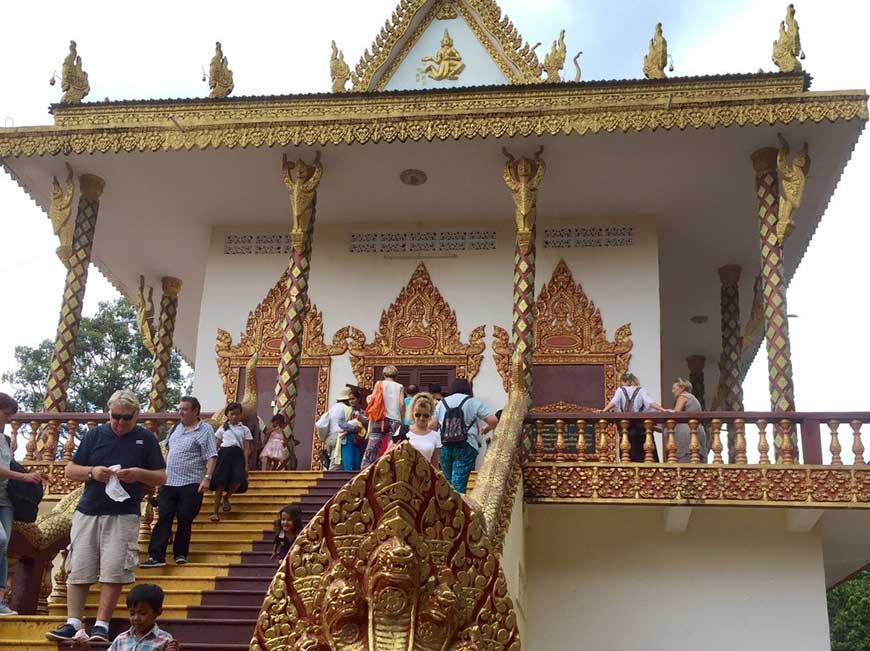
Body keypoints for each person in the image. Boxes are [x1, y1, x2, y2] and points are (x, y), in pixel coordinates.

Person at [46, 390, 166, 643]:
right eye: (115, 417)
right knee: (78, 567)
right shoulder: (94, 435)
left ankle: (101, 624)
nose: (120, 423)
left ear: (137, 416)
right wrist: (92, 472)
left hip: (124, 513)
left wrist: (138, 474)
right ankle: (73, 622)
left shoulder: (146, 438)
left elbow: (161, 477)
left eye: (126, 418)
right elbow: (70, 469)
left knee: (114, 570)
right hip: (88, 509)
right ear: (108, 413)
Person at [141, 396, 217, 569]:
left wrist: (207, 478)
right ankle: (156, 555)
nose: (180, 412)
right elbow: (167, 451)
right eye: (179, 408)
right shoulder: (175, 428)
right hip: (169, 481)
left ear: (195, 411)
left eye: (184, 409)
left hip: (191, 482)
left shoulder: (205, 430)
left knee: (184, 518)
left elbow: (212, 456)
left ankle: (180, 553)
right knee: (164, 517)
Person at [0, 393, 43, 616]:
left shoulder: (5, 440)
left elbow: (9, 466)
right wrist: (23, 478)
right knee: (0, 539)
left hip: (5, 499)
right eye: (6, 414)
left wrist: (29, 476)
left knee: (3, 549)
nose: (7, 420)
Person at [434, 379, 497, 493]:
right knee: (459, 484)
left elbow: (432, 425)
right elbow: (493, 420)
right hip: (467, 444)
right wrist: (486, 429)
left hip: (445, 445)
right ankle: (458, 507)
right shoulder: (473, 402)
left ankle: (447, 506)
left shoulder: (442, 403)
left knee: (447, 483)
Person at [72, 583, 178, 650]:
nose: (136, 618)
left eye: (143, 613)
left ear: (158, 612)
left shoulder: (165, 640)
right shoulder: (121, 639)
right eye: (132, 613)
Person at [600, 373, 664, 462]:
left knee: (628, 449)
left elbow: (614, 401)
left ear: (624, 381)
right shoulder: (641, 390)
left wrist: (604, 410)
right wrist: (662, 409)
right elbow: (650, 402)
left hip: (626, 425)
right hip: (641, 425)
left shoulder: (620, 390)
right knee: (645, 449)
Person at [209, 401, 252, 522]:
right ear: (227, 414)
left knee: (238, 479)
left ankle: (226, 497)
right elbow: (215, 446)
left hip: (238, 456)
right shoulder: (222, 429)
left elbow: (247, 448)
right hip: (223, 455)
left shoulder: (245, 429)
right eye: (232, 414)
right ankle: (215, 512)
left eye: (237, 414)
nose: (234, 416)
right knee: (220, 484)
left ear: (241, 415)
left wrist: (246, 465)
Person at [361, 366, 404, 469]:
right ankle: (390, 468)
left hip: (380, 418)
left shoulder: (379, 384)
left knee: (373, 444)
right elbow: (401, 404)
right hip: (395, 419)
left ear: (384, 374)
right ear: (396, 375)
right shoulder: (400, 386)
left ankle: (366, 468)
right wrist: (401, 416)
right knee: (392, 445)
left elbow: (373, 399)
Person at [668, 378, 709, 462]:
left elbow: (676, 413)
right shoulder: (693, 398)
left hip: (687, 436)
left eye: (674, 388)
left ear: (682, 388)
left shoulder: (684, 396)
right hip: (696, 434)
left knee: (686, 464)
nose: (672, 391)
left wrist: (664, 411)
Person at [394, 393, 441, 465]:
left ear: (431, 415)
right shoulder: (402, 430)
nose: (421, 418)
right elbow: (389, 456)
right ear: (412, 413)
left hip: (425, 475)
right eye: (418, 415)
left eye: (425, 415)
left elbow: (435, 464)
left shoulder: (435, 436)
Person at [324, 387, 364, 471]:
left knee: (357, 462)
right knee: (348, 462)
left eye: (353, 399)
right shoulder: (345, 410)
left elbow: (367, 422)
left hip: (357, 439)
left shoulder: (362, 412)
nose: (351, 401)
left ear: (358, 399)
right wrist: (354, 428)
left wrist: (360, 418)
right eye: (350, 399)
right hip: (346, 438)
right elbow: (341, 423)